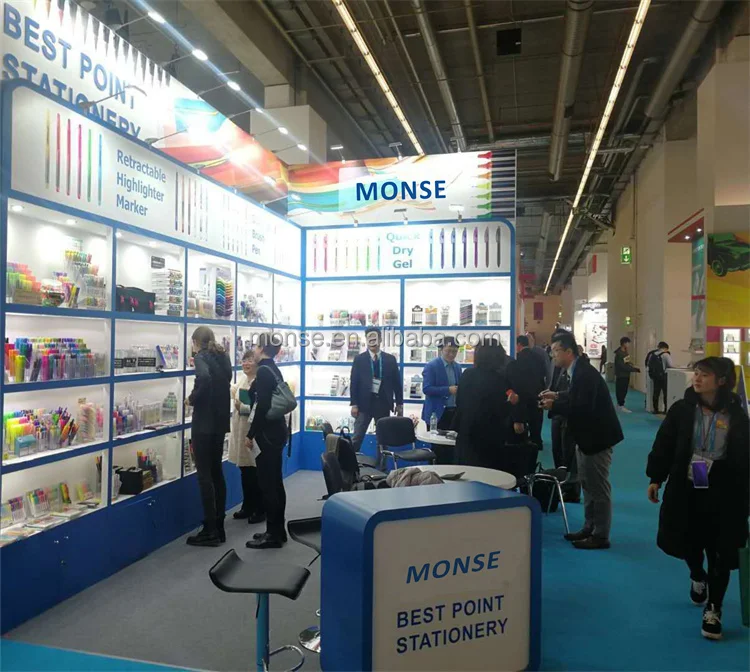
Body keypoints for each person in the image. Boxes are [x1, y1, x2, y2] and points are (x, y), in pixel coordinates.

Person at [646, 357, 749, 640]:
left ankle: (714, 607)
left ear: (722, 381)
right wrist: (656, 477)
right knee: (688, 541)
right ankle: (697, 574)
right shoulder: (682, 410)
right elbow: (664, 443)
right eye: (697, 373)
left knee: (721, 550)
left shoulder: (737, 415)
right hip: (687, 484)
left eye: (705, 374)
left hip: (724, 489)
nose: (697, 378)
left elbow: (745, 456)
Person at [541, 331, 624, 549]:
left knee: (598, 487)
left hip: (597, 438)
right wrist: (557, 396)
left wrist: (554, 405)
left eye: (556, 351)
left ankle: (601, 535)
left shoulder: (584, 373)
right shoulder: (577, 371)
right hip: (587, 437)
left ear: (569, 351)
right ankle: (590, 527)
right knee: (587, 483)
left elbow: (582, 406)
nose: (553, 355)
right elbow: (575, 396)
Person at [186, 327, 233, 547]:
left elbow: (204, 378)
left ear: (195, 342)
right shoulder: (223, 356)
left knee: (204, 475)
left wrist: (192, 398)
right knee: (216, 472)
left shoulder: (201, 357)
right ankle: (219, 525)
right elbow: (227, 378)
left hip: (204, 423)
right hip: (220, 421)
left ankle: (210, 530)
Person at [245, 335, 289, 549]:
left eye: (255, 346)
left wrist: (250, 434)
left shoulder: (263, 371)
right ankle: (277, 530)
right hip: (276, 431)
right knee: (275, 483)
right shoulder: (272, 368)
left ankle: (273, 533)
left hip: (267, 434)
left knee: (269, 484)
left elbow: (261, 406)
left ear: (261, 348)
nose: (253, 350)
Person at [454, 337, 522, 468]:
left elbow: (459, 402)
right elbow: (499, 411)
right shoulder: (499, 379)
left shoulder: (467, 374)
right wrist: (511, 403)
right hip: (490, 437)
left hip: (467, 432)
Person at [349, 327, 403, 453]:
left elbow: (397, 383)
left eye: (375, 338)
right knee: (357, 438)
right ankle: (350, 463)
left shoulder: (390, 359)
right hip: (363, 405)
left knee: (383, 441)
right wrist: (354, 404)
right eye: (370, 339)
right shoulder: (359, 359)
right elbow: (354, 383)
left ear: (380, 340)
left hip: (383, 404)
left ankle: (381, 465)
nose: (373, 341)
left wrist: (399, 404)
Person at [228, 351, 265, 524]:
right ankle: (247, 505)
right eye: (244, 360)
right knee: (245, 471)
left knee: (255, 472)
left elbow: (257, 409)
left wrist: (240, 406)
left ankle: (259, 508)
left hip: (252, 433)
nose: (246, 364)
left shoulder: (258, 381)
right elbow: (234, 391)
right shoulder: (243, 379)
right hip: (241, 431)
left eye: (250, 360)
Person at [422, 336, 461, 464]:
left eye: (454, 351)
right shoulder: (431, 366)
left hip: (453, 412)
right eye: (448, 351)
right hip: (437, 414)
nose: (451, 354)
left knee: (451, 449)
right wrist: (448, 390)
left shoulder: (457, 367)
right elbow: (427, 389)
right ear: (441, 350)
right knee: (438, 449)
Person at [507, 335, 548, 451]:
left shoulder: (515, 361)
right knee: (536, 422)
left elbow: (511, 382)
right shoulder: (539, 358)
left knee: (521, 427)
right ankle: (537, 442)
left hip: (521, 397)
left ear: (519, 345)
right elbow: (544, 375)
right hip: (537, 395)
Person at [646, 341, 674, 414]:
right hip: (663, 376)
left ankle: (655, 409)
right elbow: (670, 365)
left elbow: (648, 364)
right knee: (666, 393)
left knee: (656, 393)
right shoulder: (666, 355)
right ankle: (666, 409)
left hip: (655, 376)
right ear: (665, 348)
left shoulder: (652, 354)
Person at [614, 336, 640, 412]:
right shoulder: (620, 353)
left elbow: (626, 362)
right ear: (624, 343)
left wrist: (631, 365)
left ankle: (620, 404)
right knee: (621, 390)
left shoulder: (625, 352)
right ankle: (620, 405)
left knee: (624, 390)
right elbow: (622, 365)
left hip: (625, 374)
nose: (629, 345)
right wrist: (634, 369)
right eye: (628, 343)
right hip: (621, 374)